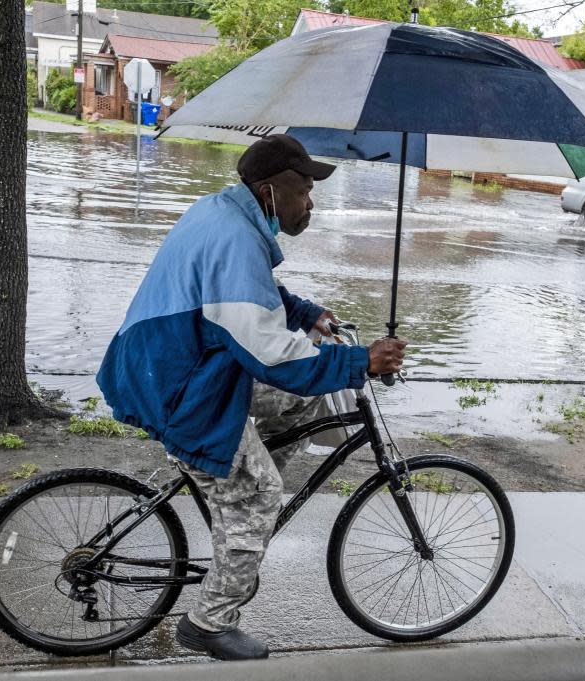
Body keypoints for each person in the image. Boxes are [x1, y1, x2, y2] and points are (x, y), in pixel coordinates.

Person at [96, 134, 406, 661]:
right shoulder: (237, 239)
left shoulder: (224, 214)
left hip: (172, 363)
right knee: (259, 495)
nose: (311, 202)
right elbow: (271, 356)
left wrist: (308, 314)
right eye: (304, 189)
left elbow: (252, 296)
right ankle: (209, 620)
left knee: (302, 403)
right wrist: (360, 362)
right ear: (270, 191)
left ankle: (238, 518)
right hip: (181, 386)